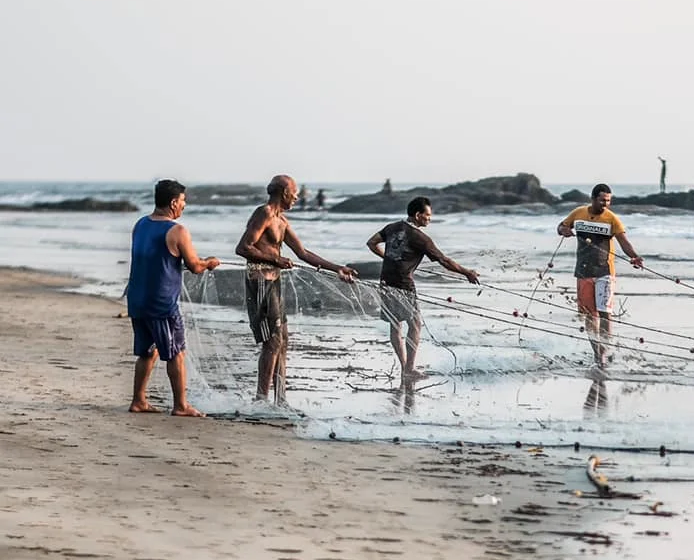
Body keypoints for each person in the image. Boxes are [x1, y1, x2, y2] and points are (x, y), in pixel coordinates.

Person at [235, 174, 356, 403]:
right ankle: (261, 401)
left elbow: (304, 253)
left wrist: (337, 268)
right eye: (296, 193)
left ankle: (281, 400)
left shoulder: (282, 221)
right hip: (260, 281)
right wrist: (276, 260)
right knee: (272, 341)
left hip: (275, 281)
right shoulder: (264, 213)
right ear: (284, 193)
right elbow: (243, 248)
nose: (298, 198)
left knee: (283, 339)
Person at [127, 179, 220, 417]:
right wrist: (210, 262)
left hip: (137, 299)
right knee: (176, 351)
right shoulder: (177, 231)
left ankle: (139, 400)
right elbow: (195, 266)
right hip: (162, 303)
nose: (184, 206)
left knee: (148, 351)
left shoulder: (140, 224)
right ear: (172, 202)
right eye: (182, 201)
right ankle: (181, 405)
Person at [366, 196, 479, 382]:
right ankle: (409, 369)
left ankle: (405, 368)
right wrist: (466, 272)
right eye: (427, 215)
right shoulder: (420, 238)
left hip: (385, 280)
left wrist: (388, 258)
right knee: (415, 324)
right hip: (403, 283)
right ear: (418, 215)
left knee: (395, 325)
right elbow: (444, 261)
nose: (429, 219)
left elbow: (371, 243)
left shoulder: (392, 227)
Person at [557, 183, 642, 368]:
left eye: (609, 201)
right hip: (583, 271)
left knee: (605, 314)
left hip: (605, 272)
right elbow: (561, 227)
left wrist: (634, 256)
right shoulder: (578, 213)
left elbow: (624, 242)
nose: (606, 204)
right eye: (603, 200)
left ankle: (603, 353)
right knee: (589, 315)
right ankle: (596, 353)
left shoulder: (612, 219)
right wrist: (564, 230)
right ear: (593, 198)